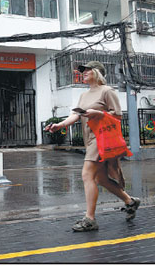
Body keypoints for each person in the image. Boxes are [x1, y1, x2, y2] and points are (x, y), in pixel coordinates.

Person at [45, 61, 140, 232]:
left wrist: (98, 113)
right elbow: (75, 115)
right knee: (101, 179)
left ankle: (90, 219)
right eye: (83, 71)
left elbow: (117, 116)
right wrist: (59, 125)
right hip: (90, 141)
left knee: (87, 174)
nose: (84, 73)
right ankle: (130, 201)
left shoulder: (107, 91)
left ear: (97, 72)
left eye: (87, 70)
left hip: (101, 138)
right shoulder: (83, 96)